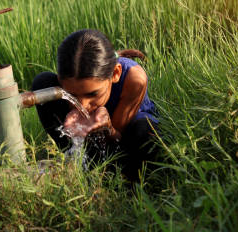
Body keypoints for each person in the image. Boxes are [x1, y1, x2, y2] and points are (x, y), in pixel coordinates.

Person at [31, 29, 159, 182]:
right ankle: (73, 162)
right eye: (72, 95)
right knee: (42, 83)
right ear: (61, 80)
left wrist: (108, 128)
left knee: (145, 129)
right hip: (98, 141)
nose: (82, 106)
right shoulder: (62, 84)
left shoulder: (134, 79)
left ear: (115, 74)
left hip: (127, 137)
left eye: (92, 94)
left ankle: (132, 181)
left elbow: (119, 139)